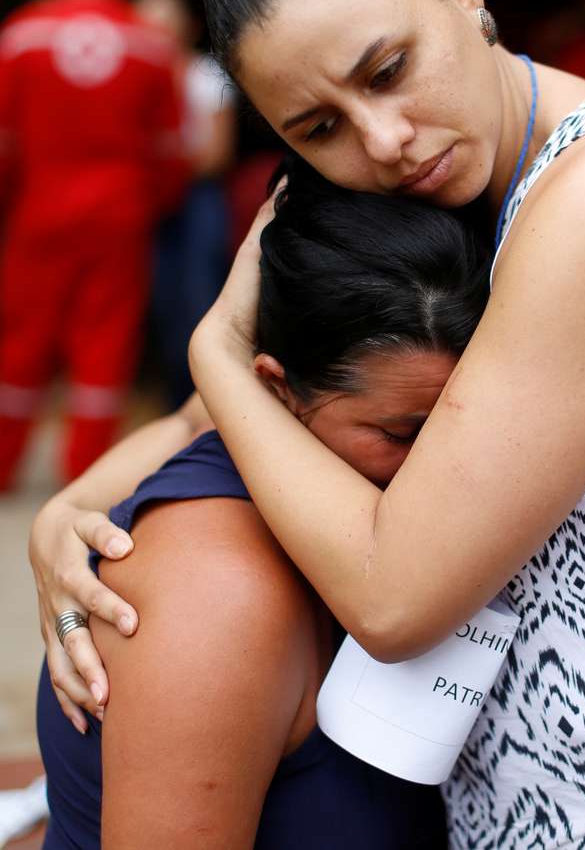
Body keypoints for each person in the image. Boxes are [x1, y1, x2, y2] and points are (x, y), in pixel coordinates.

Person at [29, 0, 585, 850]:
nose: (382, 139)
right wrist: (66, 514)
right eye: (317, 128)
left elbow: (395, 595)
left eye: (387, 69)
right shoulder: (447, 174)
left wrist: (212, 345)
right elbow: (244, 417)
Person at [38, 158, 474, 848]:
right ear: (272, 392)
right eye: (400, 434)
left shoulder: (335, 468)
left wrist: (63, 512)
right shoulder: (217, 588)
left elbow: (189, 417)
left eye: (466, 427)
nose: (445, 467)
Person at [0, 0, 188, 487]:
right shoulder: (153, 46)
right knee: (105, 346)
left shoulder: (21, 34)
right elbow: (173, 151)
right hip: (120, 217)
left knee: (19, 341)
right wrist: (147, 206)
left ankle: (3, 466)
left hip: (38, 211)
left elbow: (3, 143)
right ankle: (83, 475)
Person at [134, 0, 237, 408]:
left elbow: (215, 154)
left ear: (188, 28)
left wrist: (160, 161)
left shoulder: (206, 74)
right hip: (144, 201)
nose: (156, 36)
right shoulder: (130, 79)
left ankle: (205, 405)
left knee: (197, 302)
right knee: (153, 306)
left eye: (165, 25)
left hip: (196, 200)